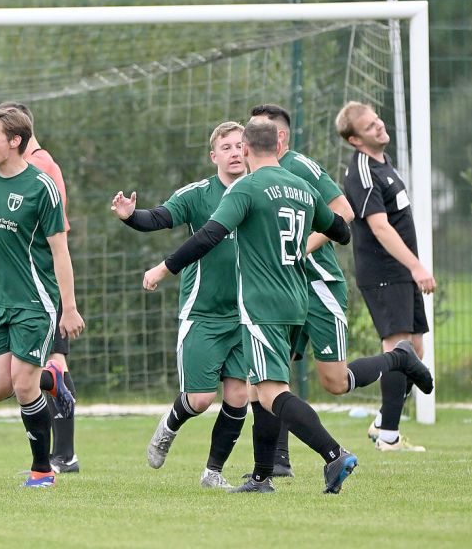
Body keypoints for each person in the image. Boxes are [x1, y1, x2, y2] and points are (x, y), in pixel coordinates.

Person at [142, 119, 357, 494]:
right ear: (278, 145)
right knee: (257, 391)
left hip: (262, 306)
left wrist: (165, 268)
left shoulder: (248, 188)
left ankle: (334, 454)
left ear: (246, 149)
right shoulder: (302, 187)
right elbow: (341, 231)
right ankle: (261, 477)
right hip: (296, 301)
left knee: (272, 394)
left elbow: (209, 235)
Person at [249, 105, 435, 474]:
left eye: (255, 132)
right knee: (267, 373)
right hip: (284, 287)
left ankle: (398, 360)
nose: (248, 141)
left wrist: (301, 247)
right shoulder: (254, 175)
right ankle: (276, 462)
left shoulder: (300, 167)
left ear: (278, 137)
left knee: (333, 382)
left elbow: (344, 212)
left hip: (318, 284)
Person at [110, 121, 249, 490]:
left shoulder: (258, 191)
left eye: (240, 145)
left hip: (245, 314)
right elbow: (159, 217)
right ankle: (169, 425)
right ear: (214, 156)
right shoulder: (199, 194)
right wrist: (130, 216)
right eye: (227, 147)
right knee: (201, 399)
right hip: (203, 313)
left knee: (239, 396)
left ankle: (213, 473)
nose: (235, 153)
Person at [0, 105, 85, 488]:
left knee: (23, 386)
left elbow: (60, 252)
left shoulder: (42, 186)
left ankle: (42, 470)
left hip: (34, 302)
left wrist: (69, 308)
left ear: (15, 141)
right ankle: (51, 378)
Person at [337, 100, 436, 451]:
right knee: (397, 348)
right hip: (384, 272)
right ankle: (389, 437)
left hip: (401, 270)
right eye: (369, 126)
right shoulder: (362, 172)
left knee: (415, 350)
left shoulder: (384, 162)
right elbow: (379, 227)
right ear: (355, 140)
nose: (379, 125)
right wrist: (416, 266)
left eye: (376, 119)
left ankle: (382, 422)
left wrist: (411, 266)